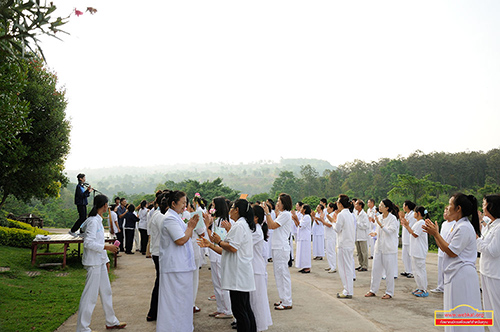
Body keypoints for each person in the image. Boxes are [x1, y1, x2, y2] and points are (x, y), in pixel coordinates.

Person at [423, 193, 483, 332]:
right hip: (455, 274)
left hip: (462, 276)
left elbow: (451, 251)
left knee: (462, 311)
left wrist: (436, 234)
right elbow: (445, 247)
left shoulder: (464, 228)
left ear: (458, 208)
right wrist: (435, 234)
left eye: (450, 204)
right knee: (453, 311)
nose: (448, 207)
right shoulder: (457, 225)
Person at [198, 199, 257, 332]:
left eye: (232, 208)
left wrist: (219, 241)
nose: (230, 210)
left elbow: (232, 247)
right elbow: (226, 250)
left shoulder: (239, 226)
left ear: (237, 210)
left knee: (240, 310)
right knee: (245, 308)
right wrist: (210, 245)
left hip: (238, 274)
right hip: (240, 272)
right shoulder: (240, 225)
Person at [76, 194, 126, 332]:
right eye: (107, 204)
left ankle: (111, 321)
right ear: (104, 205)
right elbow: (88, 243)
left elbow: (97, 241)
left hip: (99, 262)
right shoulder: (92, 221)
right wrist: (107, 247)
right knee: (90, 296)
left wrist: (106, 260)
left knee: (106, 291)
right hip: (93, 263)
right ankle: (82, 328)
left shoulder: (97, 220)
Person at [157, 191, 198, 332]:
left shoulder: (177, 218)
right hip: (175, 267)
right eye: (183, 203)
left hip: (182, 266)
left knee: (183, 302)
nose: (185, 206)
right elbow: (180, 240)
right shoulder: (169, 219)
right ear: (173, 203)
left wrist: (190, 227)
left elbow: (185, 236)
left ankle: (183, 328)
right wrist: (191, 226)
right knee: (174, 303)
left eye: (186, 203)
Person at [262, 193, 293, 310]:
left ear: (284, 203)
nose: (277, 203)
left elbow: (272, 225)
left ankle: (287, 301)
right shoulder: (282, 214)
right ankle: (283, 298)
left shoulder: (286, 214)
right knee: (278, 274)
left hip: (281, 247)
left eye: (279, 201)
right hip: (277, 247)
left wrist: (267, 213)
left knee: (283, 274)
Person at [365, 199, 399, 299]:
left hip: (389, 249)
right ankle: (373, 290)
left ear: (387, 208)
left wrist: (379, 224)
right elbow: (380, 231)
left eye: (382, 205)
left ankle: (389, 292)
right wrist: (375, 233)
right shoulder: (379, 217)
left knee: (389, 271)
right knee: (375, 269)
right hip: (379, 248)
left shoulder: (392, 219)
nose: (379, 207)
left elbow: (389, 231)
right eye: (379, 205)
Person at [206, 196, 233, 319]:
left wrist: (207, 226)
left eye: (213, 205)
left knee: (221, 283)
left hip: (218, 255)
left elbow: (215, 239)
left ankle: (227, 310)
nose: (211, 208)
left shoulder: (221, 222)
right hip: (215, 254)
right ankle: (221, 308)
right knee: (217, 283)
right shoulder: (218, 220)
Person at [477, 194, 500, 332]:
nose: (482, 206)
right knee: (488, 308)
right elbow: (484, 243)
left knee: (496, 307)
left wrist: (476, 240)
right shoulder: (490, 225)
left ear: (492, 207)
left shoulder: (499, 228)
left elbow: (492, 251)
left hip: (495, 274)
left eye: (484, 204)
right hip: (486, 271)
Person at [250, 205, 273, 331]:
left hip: (256, 269)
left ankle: (258, 325)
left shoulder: (256, 231)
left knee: (257, 300)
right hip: (253, 268)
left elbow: (243, 243)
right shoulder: (254, 229)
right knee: (254, 299)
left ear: (256, 218)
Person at [402, 206, 429, 297]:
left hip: (419, 251)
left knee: (420, 270)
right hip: (415, 250)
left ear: (418, 213)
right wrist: (407, 226)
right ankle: (419, 287)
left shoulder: (421, 222)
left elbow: (415, 234)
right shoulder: (418, 222)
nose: (413, 214)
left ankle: (423, 289)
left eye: (414, 212)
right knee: (416, 271)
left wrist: (407, 226)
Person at [146, 192, 165, 322]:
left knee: (161, 282)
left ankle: (155, 312)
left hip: (157, 252)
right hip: (159, 253)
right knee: (160, 283)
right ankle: (153, 312)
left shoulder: (157, 214)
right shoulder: (160, 217)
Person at [334, 194, 356, 299]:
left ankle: (347, 291)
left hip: (343, 244)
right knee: (348, 267)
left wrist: (333, 221)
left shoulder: (341, 215)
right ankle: (348, 289)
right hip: (349, 243)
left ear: (341, 204)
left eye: (338, 202)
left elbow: (337, 229)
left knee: (344, 268)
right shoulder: (350, 214)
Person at [430, 207, 456, 293]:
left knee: (447, 270)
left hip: (448, 249)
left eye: (447, 211)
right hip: (441, 250)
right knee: (440, 269)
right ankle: (440, 286)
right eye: (444, 211)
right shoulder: (444, 223)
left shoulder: (454, 224)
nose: (445, 213)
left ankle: (447, 287)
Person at [292, 204, 312, 273]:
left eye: (302, 208)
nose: (300, 209)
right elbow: (298, 224)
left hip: (305, 237)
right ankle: (303, 266)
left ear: (305, 210)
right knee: (301, 253)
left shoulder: (307, 217)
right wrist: (294, 219)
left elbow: (301, 225)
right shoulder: (303, 217)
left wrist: (296, 218)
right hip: (301, 237)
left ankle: (307, 267)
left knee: (305, 253)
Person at [401, 200, 417, 278]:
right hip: (405, 238)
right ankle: (407, 270)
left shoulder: (413, 215)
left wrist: (405, 223)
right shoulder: (407, 215)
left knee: (410, 255)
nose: (403, 207)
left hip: (410, 238)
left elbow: (411, 226)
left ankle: (412, 272)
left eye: (404, 205)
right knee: (405, 256)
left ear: (407, 206)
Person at [354, 200, 369, 272]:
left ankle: (365, 265)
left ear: (360, 206)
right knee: (359, 252)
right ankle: (360, 264)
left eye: (356, 204)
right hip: (356, 235)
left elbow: (366, 225)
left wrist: (358, 224)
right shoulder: (355, 213)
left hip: (362, 235)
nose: (355, 205)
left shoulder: (364, 215)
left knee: (364, 252)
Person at [322, 202, 337, 273]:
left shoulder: (333, 215)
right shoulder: (328, 215)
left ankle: (333, 267)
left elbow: (330, 225)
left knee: (331, 251)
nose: (327, 208)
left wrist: (322, 220)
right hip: (327, 235)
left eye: (328, 207)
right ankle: (330, 265)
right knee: (328, 251)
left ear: (332, 208)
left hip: (331, 235)